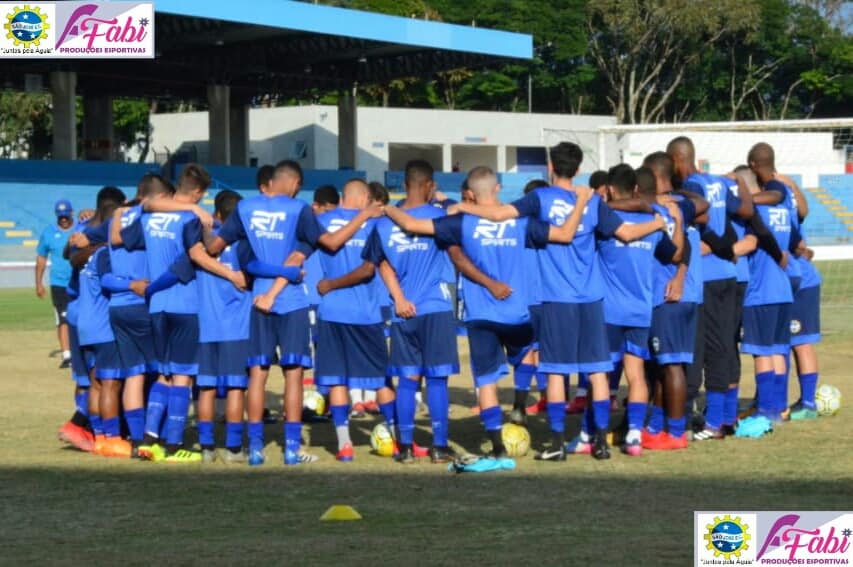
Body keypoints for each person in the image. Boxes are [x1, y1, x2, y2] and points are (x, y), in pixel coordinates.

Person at [449, 142, 666, 461]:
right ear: (578, 169)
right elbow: (627, 234)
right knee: (597, 370)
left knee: (555, 372)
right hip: (592, 299)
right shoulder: (592, 201)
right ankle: (600, 444)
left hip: (555, 298)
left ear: (550, 166)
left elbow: (497, 214)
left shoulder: (540, 198)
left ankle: (555, 444)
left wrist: (461, 207)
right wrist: (658, 223)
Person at [385, 166, 589, 457]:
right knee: (531, 356)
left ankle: (497, 448)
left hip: (480, 315)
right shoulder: (521, 222)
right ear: (497, 189)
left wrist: (387, 209)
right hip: (517, 312)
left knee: (486, 381)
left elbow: (411, 224)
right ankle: (527, 410)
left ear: (470, 193)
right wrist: (581, 201)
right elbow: (566, 234)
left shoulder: (460, 222)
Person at [208, 160, 379, 466]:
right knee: (294, 377)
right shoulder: (299, 210)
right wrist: (364, 215)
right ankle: (290, 449)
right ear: (296, 183)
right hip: (292, 301)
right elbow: (331, 243)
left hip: (259, 298)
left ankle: (256, 449)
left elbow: (214, 246)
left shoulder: (245, 208)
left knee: (257, 375)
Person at [115, 164, 244, 463]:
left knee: (164, 374)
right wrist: (230, 274)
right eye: (202, 196)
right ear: (197, 192)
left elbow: (124, 237)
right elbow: (197, 255)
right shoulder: (190, 218)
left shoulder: (149, 217)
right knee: (183, 376)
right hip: (185, 304)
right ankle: (173, 445)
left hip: (156, 306)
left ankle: (149, 440)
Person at [361, 160, 462, 464]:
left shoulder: (382, 223)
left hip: (403, 310)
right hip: (436, 306)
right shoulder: (440, 217)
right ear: (430, 185)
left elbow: (381, 264)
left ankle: (405, 447)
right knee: (437, 379)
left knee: (407, 380)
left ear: (404, 184)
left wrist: (400, 298)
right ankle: (439, 445)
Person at [589, 165, 682, 456]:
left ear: (610, 189)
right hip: (640, 310)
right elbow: (674, 254)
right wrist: (673, 223)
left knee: (601, 375)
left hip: (609, 311)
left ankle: (596, 436)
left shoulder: (605, 221)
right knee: (637, 374)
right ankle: (633, 436)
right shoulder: (652, 223)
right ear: (637, 189)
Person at [667, 137, 756, 441]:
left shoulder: (692, 185)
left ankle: (713, 422)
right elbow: (743, 211)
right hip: (729, 276)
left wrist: (717, 247)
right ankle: (726, 417)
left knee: (709, 349)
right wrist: (728, 248)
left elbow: (704, 227)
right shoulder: (717, 182)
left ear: (677, 159)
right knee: (726, 345)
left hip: (707, 277)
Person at [310, 179, 396, 461]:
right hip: (364, 313)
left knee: (337, 379)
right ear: (364, 197)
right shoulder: (374, 224)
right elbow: (367, 270)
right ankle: (396, 437)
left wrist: (329, 284)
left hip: (332, 311)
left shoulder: (322, 220)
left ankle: (344, 445)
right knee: (381, 378)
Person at [638, 152, 708, 450]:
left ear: (654, 176)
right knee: (662, 364)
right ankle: (656, 425)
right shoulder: (680, 206)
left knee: (671, 365)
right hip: (684, 294)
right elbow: (703, 208)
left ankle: (677, 433)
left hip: (668, 295)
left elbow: (681, 247)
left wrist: (677, 277)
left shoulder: (658, 210)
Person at [730, 168, 797, 437]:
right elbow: (793, 243)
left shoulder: (754, 212)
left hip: (761, 292)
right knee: (778, 350)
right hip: (783, 290)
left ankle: (766, 410)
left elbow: (749, 243)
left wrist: (724, 252)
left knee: (762, 352)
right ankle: (779, 407)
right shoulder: (782, 210)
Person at [36, 199, 75, 368]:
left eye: (66, 216)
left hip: (79, 281)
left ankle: (82, 350)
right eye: (61, 216)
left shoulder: (80, 229)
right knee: (63, 318)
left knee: (80, 317)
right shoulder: (48, 233)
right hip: (59, 284)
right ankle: (67, 355)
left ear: (71, 213)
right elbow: (41, 258)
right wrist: (38, 283)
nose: (63, 219)